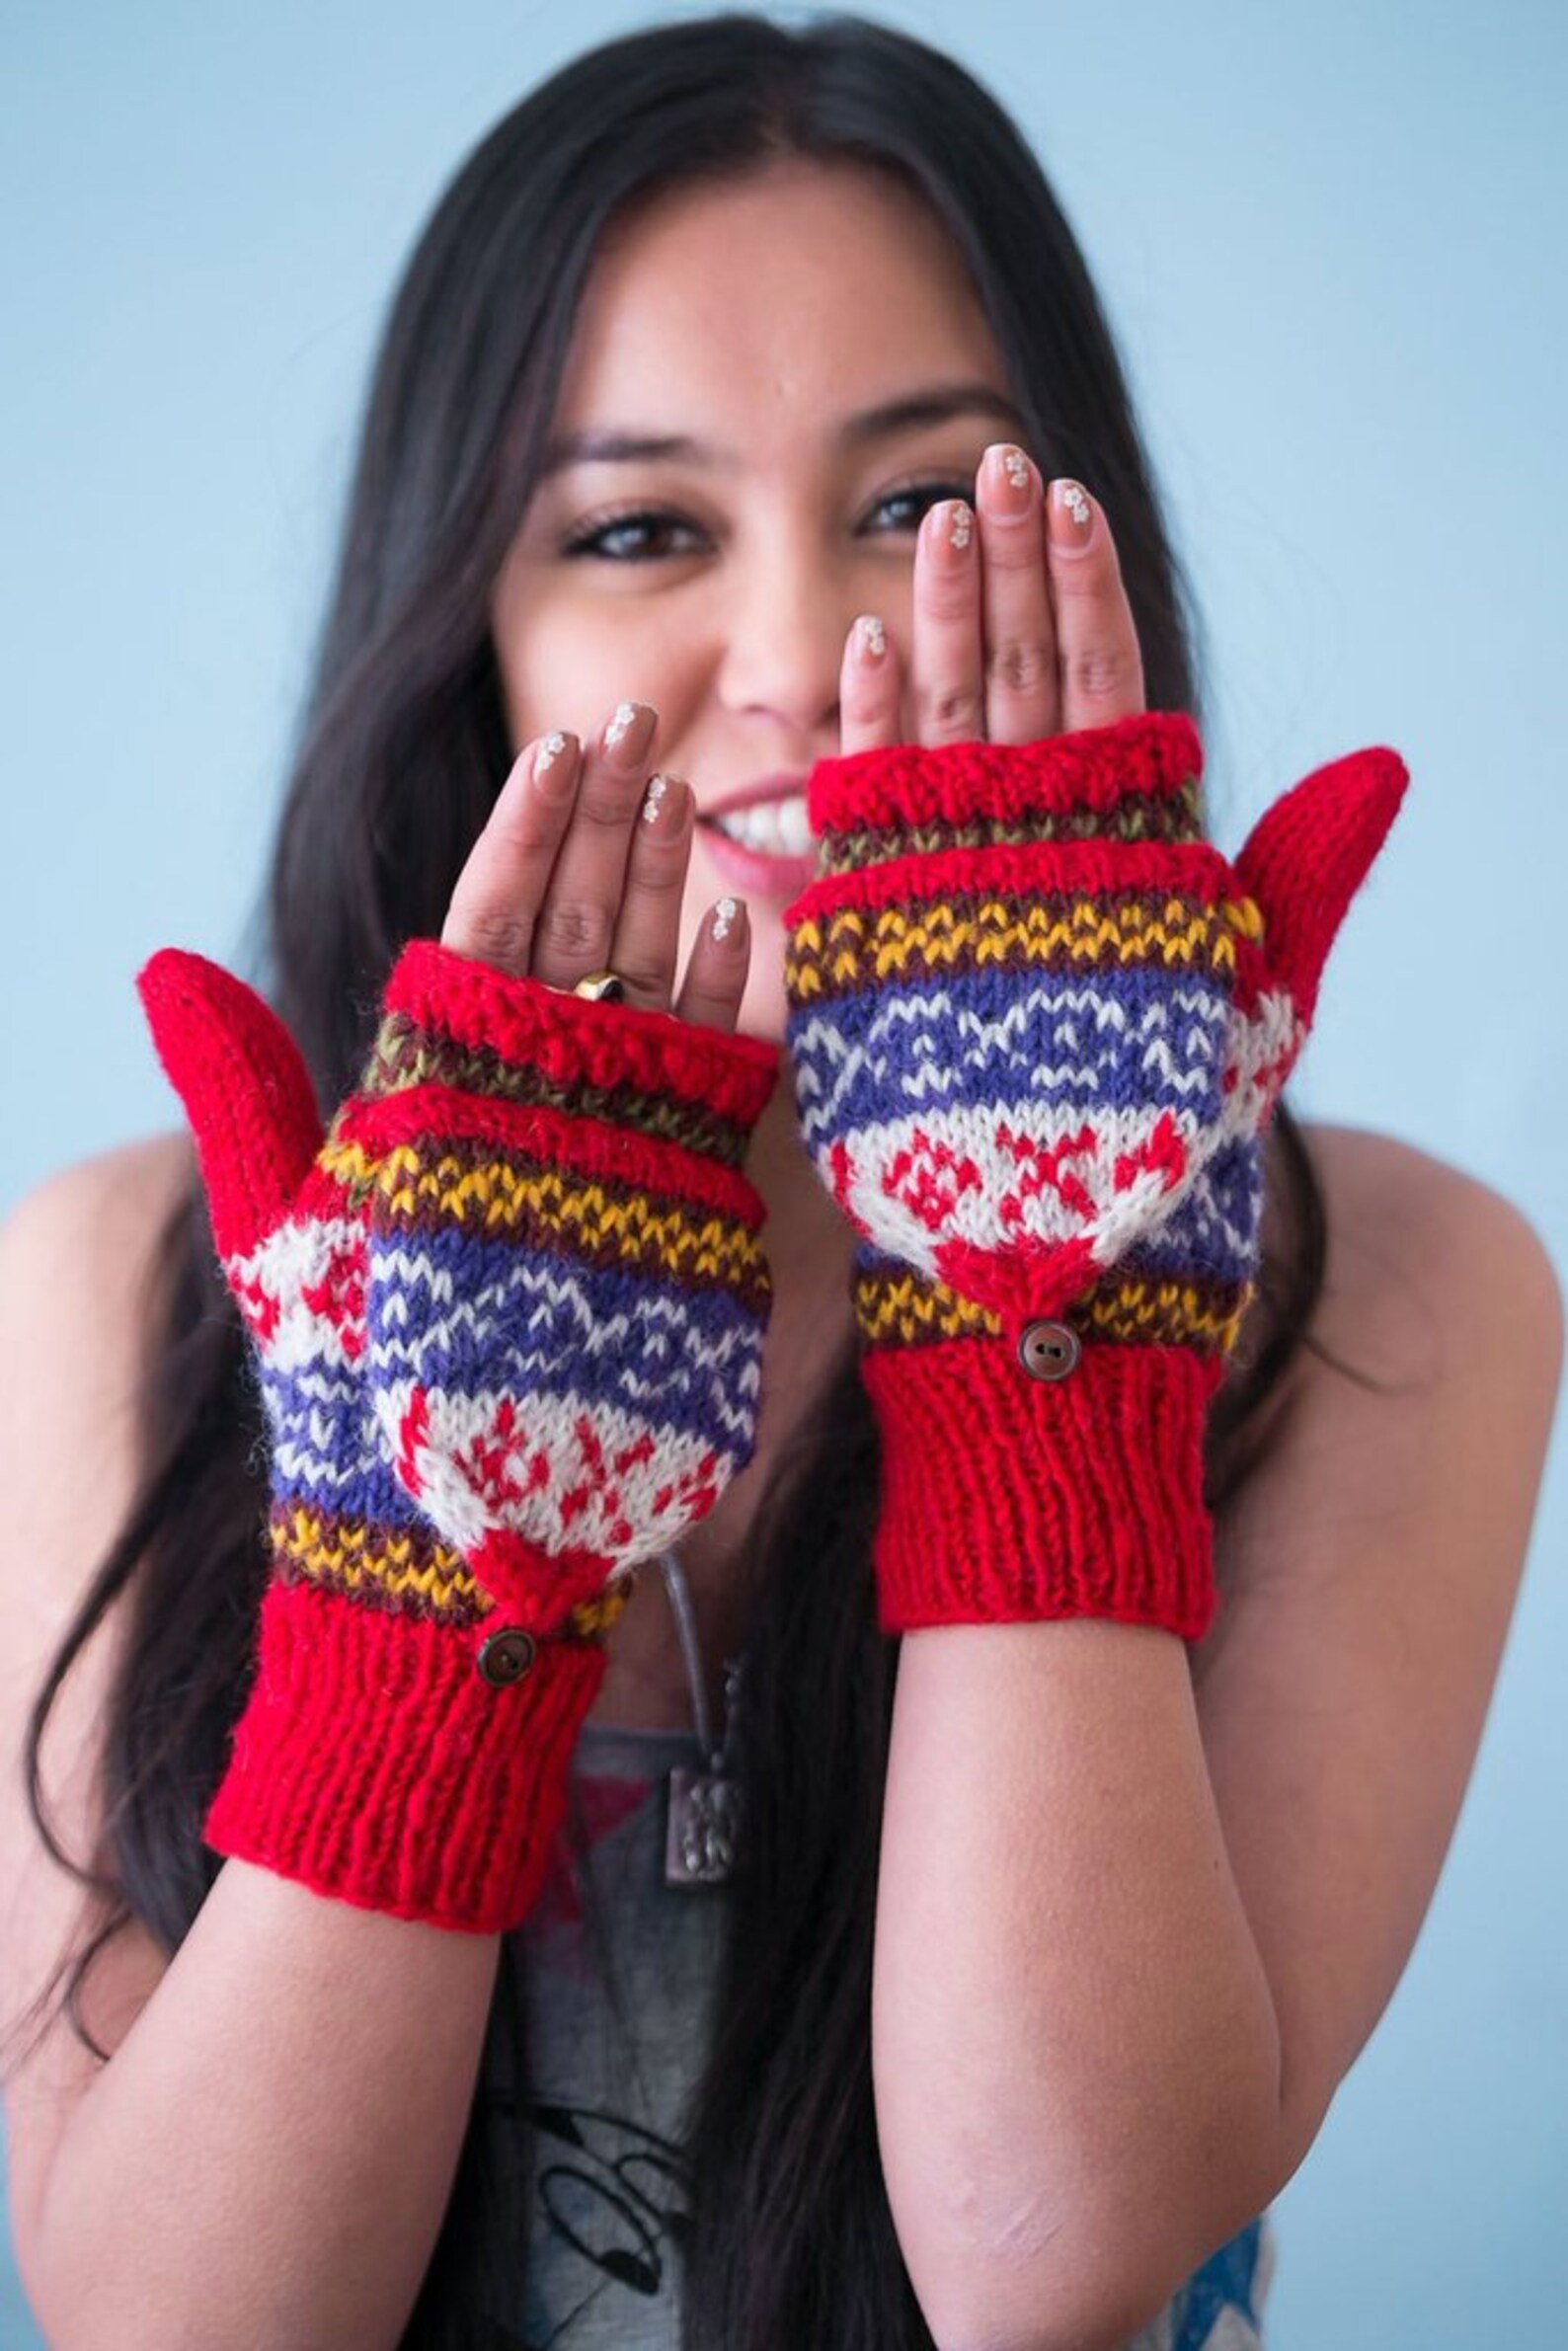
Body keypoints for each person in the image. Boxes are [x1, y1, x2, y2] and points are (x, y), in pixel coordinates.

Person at [0, 15, 1560, 2350]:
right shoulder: (139, 1273)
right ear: (467, 626)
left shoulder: (1389, 1286)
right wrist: (449, 1552)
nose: (795, 662)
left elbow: (1048, 2256)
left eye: (922, 506)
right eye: (637, 529)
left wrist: (1028, 1283)